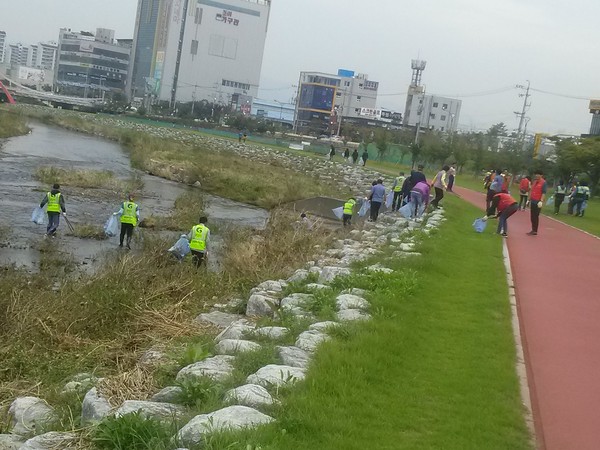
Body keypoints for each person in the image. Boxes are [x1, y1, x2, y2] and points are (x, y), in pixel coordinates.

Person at [527, 170, 547, 236]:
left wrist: (541, 201)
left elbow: (544, 193)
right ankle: (533, 229)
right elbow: (532, 191)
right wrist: (528, 200)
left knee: (536, 216)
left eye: (538, 174)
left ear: (541, 175)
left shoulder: (543, 183)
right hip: (533, 201)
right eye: (536, 174)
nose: (536, 175)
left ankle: (535, 230)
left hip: (538, 202)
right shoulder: (535, 182)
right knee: (532, 216)